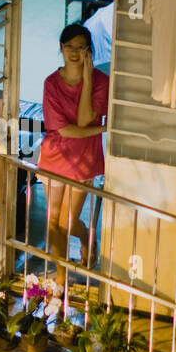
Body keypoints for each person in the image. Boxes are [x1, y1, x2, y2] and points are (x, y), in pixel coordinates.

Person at [36, 23, 109, 285]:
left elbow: (84, 117)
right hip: (54, 157)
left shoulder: (101, 82)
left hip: (83, 162)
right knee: (52, 221)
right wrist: (100, 128)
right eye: (69, 47)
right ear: (61, 48)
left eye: (81, 47)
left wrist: (88, 80)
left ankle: (86, 235)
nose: (75, 52)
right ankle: (62, 277)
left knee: (67, 222)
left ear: (89, 51)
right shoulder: (51, 83)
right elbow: (66, 131)